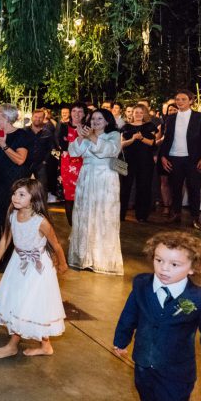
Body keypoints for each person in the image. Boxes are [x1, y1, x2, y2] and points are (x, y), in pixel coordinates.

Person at [114, 232, 201, 401]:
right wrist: (121, 341)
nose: (164, 269)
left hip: (177, 373)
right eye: (159, 260)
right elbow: (130, 314)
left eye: (174, 265)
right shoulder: (141, 284)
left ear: (193, 268)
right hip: (143, 365)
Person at [0, 179, 67, 358]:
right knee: (26, 304)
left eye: (21, 194)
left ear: (34, 198)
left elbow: (56, 244)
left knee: (27, 304)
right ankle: (46, 346)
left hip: (38, 268)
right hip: (18, 263)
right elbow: (5, 239)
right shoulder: (12, 214)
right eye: (14, 193)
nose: (15, 197)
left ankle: (12, 345)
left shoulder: (41, 222)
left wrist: (62, 263)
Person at [68, 108, 123, 275]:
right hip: (86, 177)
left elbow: (110, 151)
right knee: (85, 215)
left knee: (102, 215)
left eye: (99, 119)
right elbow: (73, 151)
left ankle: (101, 259)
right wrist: (80, 136)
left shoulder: (113, 135)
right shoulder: (85, 136)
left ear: (107, 121)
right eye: (92, 119)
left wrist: (90, 136)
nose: (95, 122)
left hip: (105, 178)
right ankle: (84, 257)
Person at [0, 103, 32, 272]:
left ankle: (8, 261)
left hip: (12, 185)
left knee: (9, 222)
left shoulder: (21, 135)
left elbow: (20, 159)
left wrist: (3, 144)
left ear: (6, 117)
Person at [159, 90, 201, 231]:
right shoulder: (170, 118)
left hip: (193, 159)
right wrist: (163, 156)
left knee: (194, 188)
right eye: (177, 99)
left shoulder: (200, 117)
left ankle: (195, 218)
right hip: (174, 158)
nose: (179, 101)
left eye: (183, 99)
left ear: (191, 101)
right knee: (175, 188)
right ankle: (176, 214)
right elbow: (166, 139)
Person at [120, 104, 158, 222]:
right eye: (136, 112)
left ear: (144, 114)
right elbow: (121, 144)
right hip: (127, 160)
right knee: (125, 187)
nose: (138, 114)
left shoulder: (150, 126)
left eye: (141, 112)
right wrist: (132, 139)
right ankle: (121, 214)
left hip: (145, 160)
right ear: (132, 114)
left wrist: (141, 138)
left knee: (144, 187)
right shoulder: (125, 127)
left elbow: (153, 143)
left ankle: (142, 215)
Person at [57, 102, 86, 224]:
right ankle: (72, 228)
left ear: (84, 114)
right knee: (69, 197)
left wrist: (72, 143)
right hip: (67, 165)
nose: (77, 114)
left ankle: (83, 226)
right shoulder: (63, 126)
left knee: (84, 196)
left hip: (85, 165)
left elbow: (89, 147)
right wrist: (79, 140)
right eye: (74, 111)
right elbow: (62, 146)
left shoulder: (88, 128)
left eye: (80, 111)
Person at [24, 109, 55, 196]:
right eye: (36, 117)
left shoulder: (47, 133)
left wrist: (45, 162)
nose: (37, 119)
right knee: (22, 186)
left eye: (40, 117)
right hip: (25, 164)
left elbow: (51, 149)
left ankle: (42, 209)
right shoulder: (24, 131)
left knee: (42, 188)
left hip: (40, 165)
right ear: (32, 117)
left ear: (44, 118)